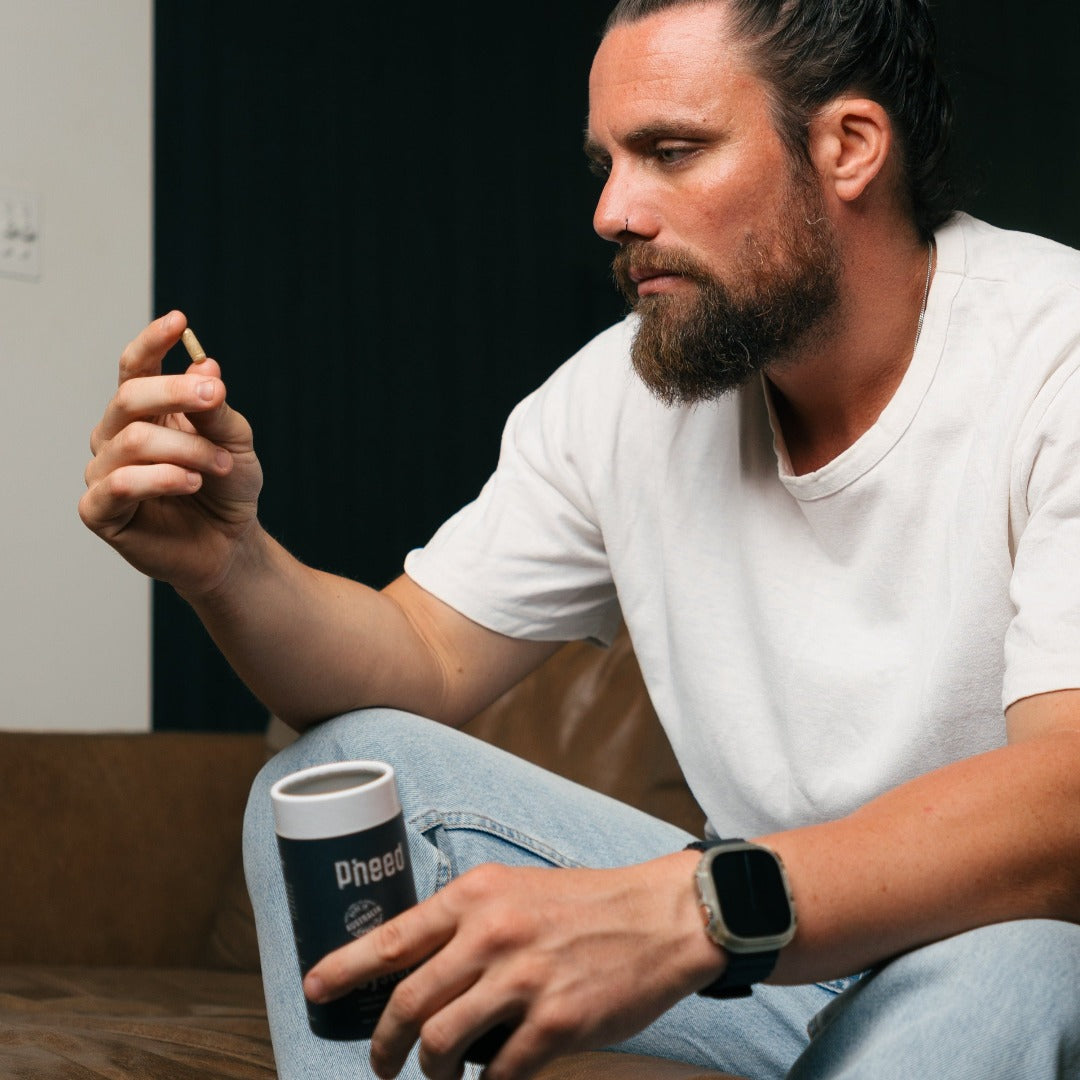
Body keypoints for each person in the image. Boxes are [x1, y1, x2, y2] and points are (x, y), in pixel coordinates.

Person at [81, 0, 1080, 1077]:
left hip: (997, 938)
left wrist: (694, 907)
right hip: (771, 954)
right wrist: (230, 563)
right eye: (607, 162)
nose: (612, 211)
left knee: (1023, 960)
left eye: (670, 151)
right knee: (341, 772)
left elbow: (1067, 795)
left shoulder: (1050, 351)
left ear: (847, 148)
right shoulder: (623, 396)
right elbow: (414, 657)